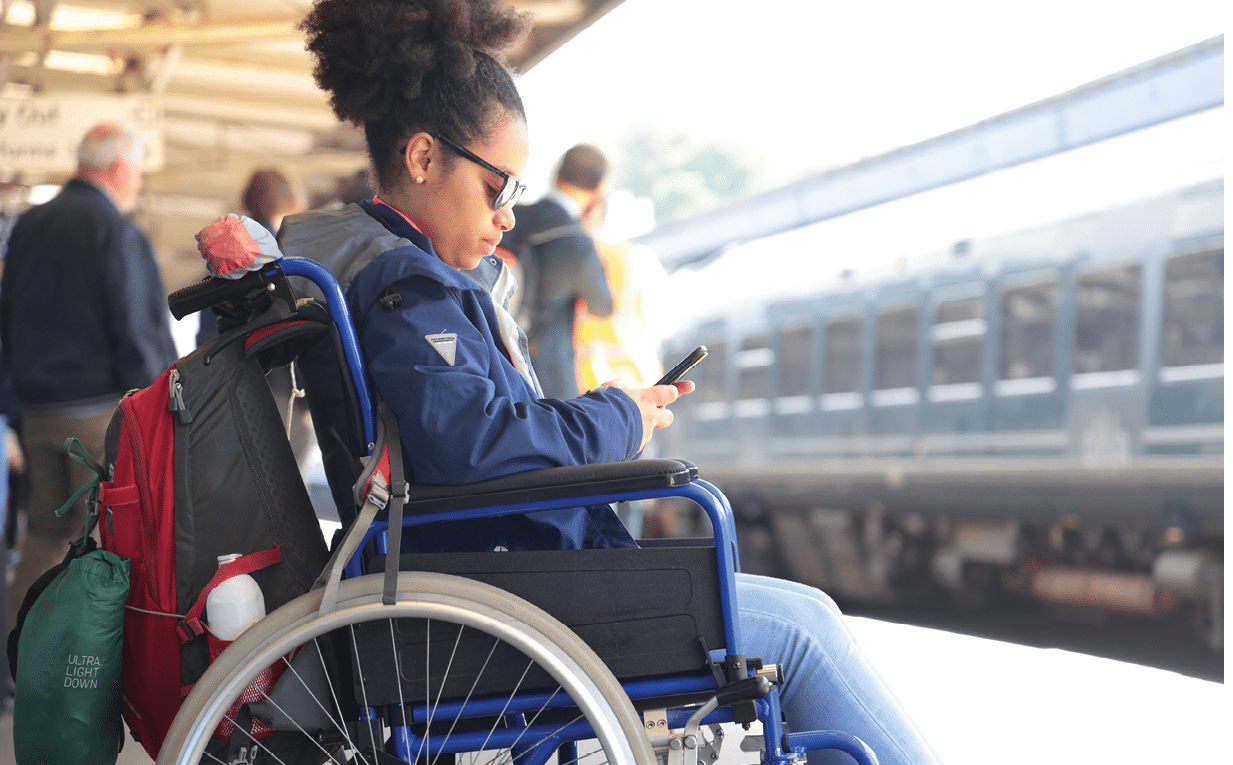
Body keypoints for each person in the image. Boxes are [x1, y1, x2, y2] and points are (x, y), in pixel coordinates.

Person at [286, 1, 941, 762]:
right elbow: (473, 448)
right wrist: (616, 418)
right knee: (803, 631)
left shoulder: (380, 271)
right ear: (425, 157)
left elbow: (465, 433)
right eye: (498, 187)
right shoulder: (409, 288)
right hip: (501, 595)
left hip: (489, 578)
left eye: (517, 195)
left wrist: (618, 414)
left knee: (805, 612)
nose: (506, 216)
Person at [0, 122, 177, 625]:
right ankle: (91, 664)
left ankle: (20, 650)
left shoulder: (28, 226)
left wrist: (11, 408)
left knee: (44, 535)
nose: (139, 183)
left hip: (36, 417)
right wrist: (155, 403)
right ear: (119, 169)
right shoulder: (113, 230)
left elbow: (6, 320)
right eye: (138, 172)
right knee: (105, 539)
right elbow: (135, 328)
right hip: (96, 418)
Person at [503, 144, 614, 399]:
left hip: (496, 365)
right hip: (548, 378)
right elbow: (603, 306)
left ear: (557, 174)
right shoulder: (578, 241)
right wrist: (591, 232)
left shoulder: (510, 216)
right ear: (597, 190)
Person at [573, 191, 672, 392]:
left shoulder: (574, 257)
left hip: (584, 385)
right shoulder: (641, 259)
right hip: (635, 382)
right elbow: (666, 323)